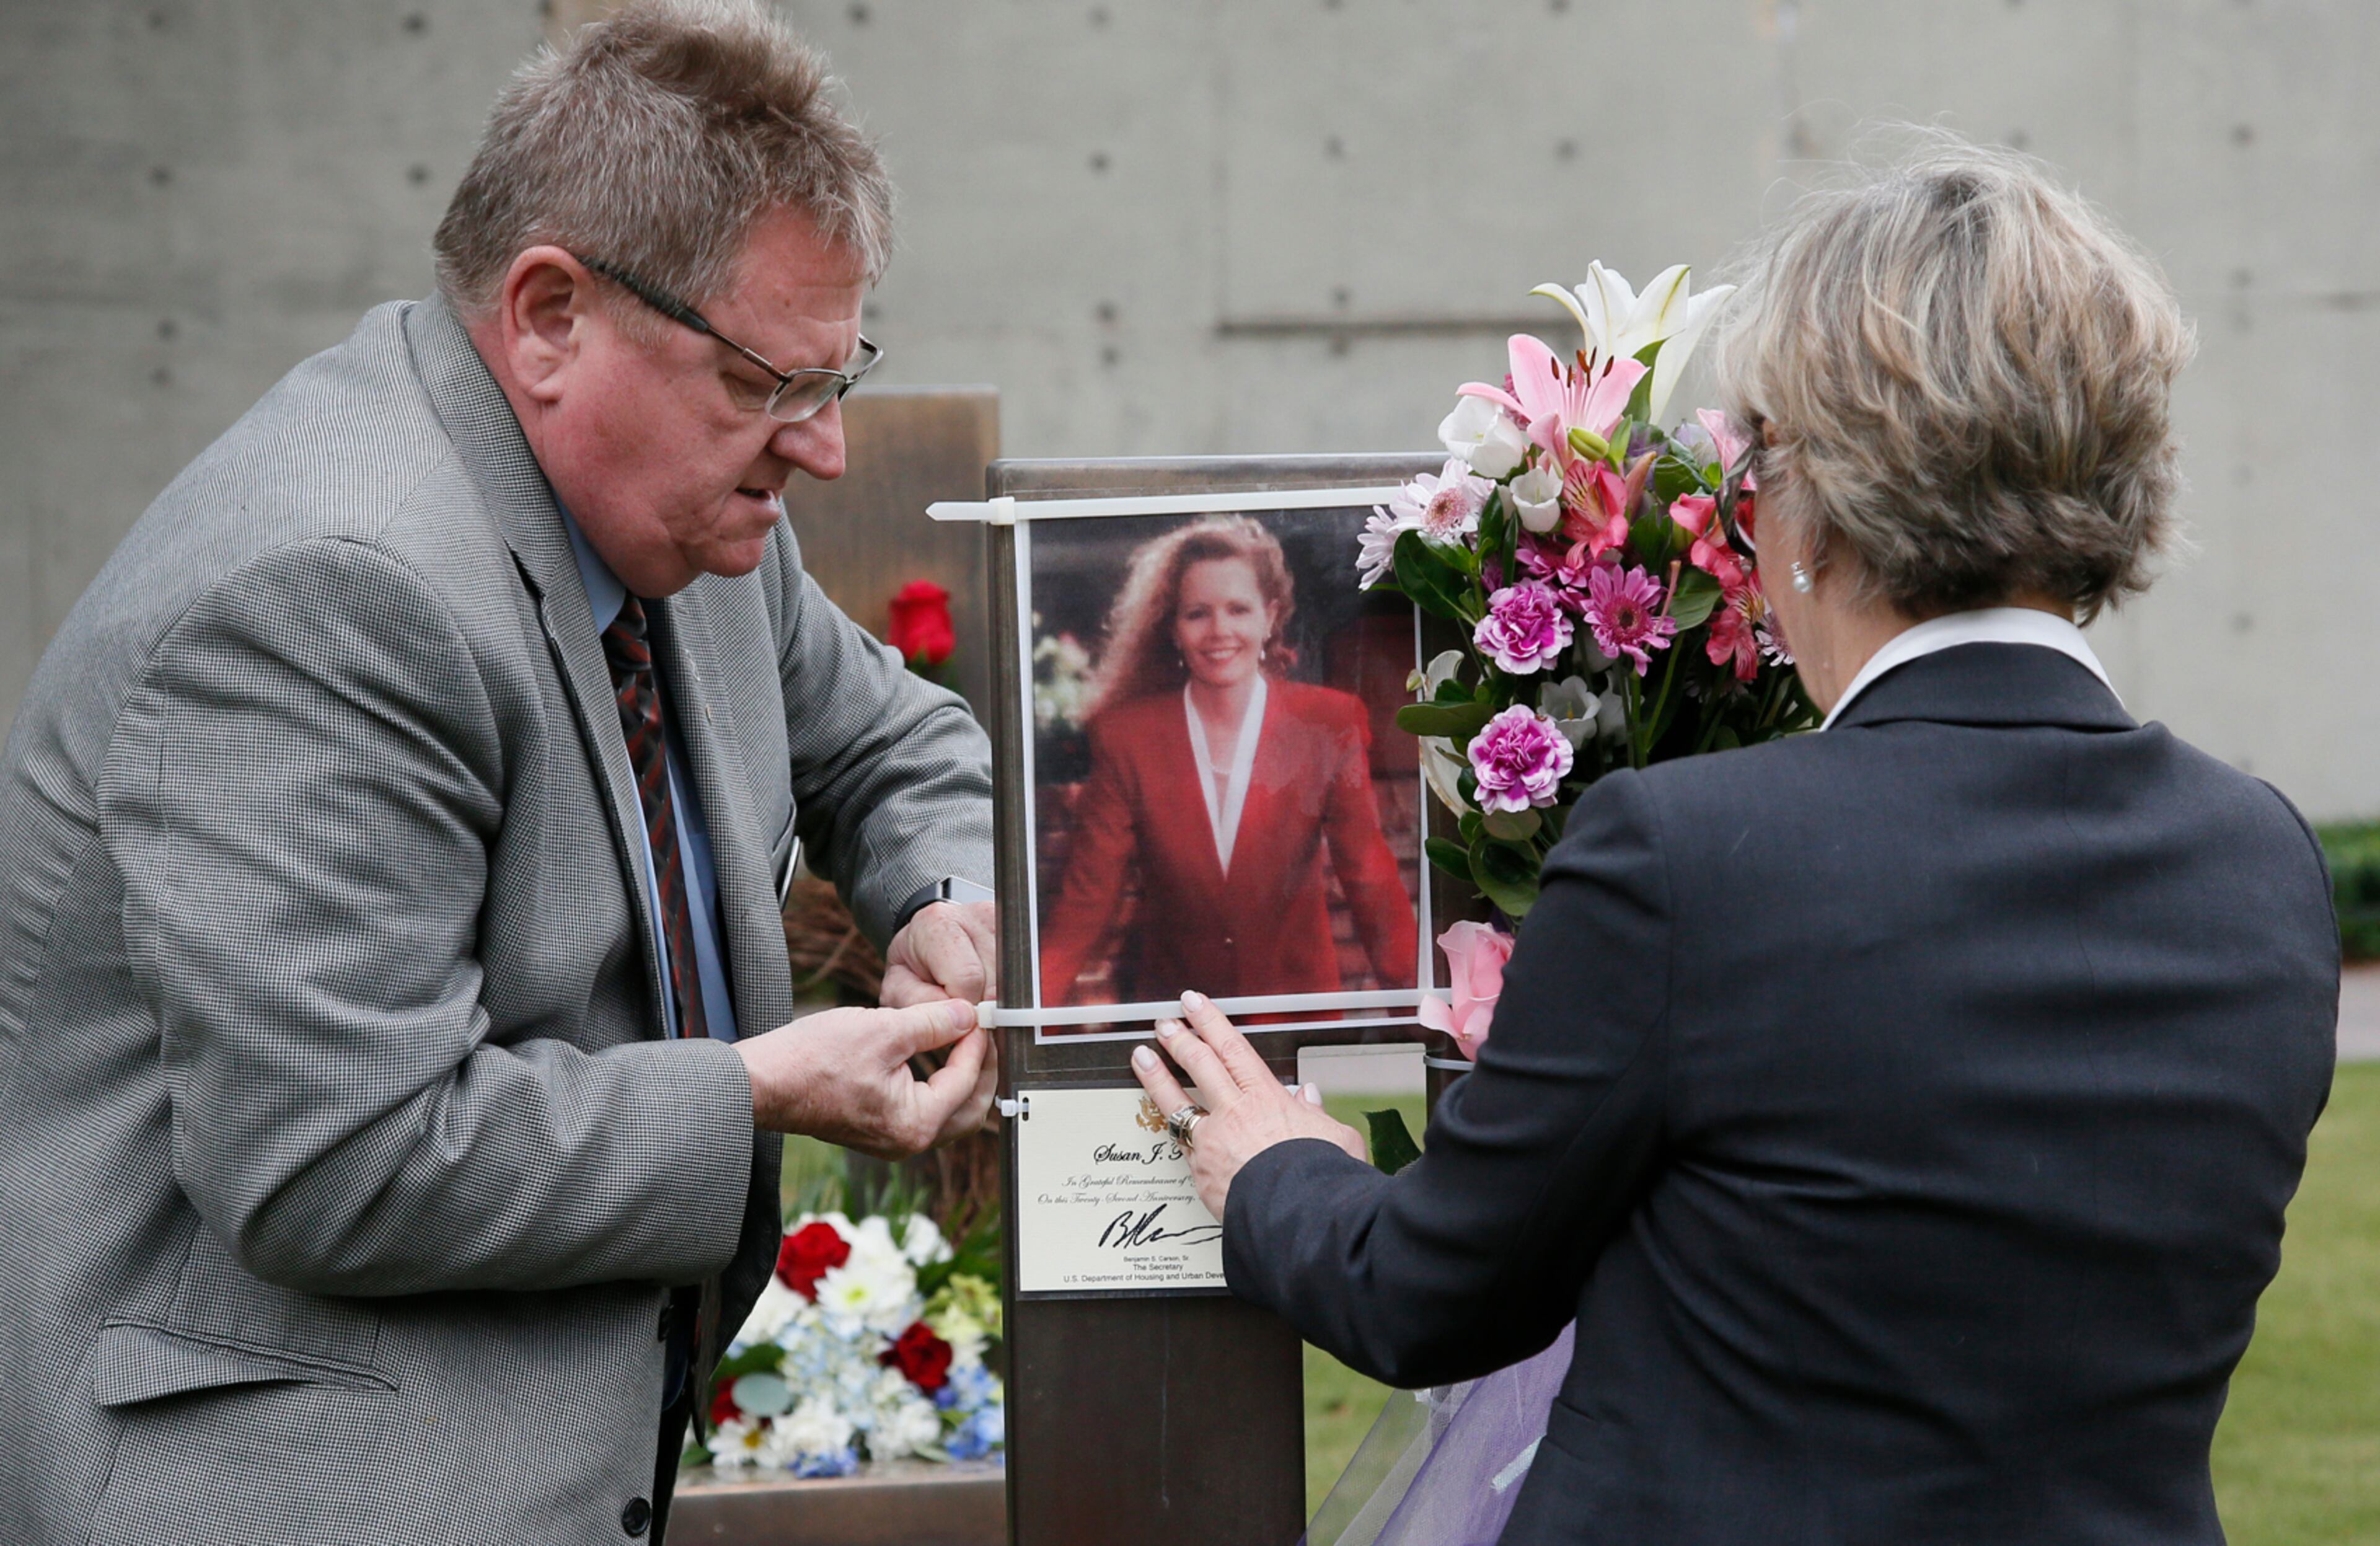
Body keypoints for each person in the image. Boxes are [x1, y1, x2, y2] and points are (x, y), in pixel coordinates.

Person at [1133, 139, 2340, 1544]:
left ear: (1815, 501)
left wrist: (1274, 1163)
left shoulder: (1684, 857)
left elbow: (1425, 1293)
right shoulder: (2260, 864)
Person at [0, 5, 1002, 1542]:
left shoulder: (688, 510)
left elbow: (892, 737)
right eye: (764, 382)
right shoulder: (332, 590)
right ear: (547, 316)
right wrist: (759, 1089)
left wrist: (942, 894)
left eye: (837, 373)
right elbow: (341, 1158)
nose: (825, 451)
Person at [1038, 515, 1417, 1010]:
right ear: (1172, 626)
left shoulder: (1328, 722)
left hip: (1299, 1021)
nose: (1220, 631)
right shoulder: (1126, 737)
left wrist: (1424, 1015)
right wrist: (1028, 1020)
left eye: (1238, 609)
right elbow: (1086, 900)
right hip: (1175, 1021)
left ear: (1270, 616)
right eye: (1197, 613)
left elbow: (1369, 879)